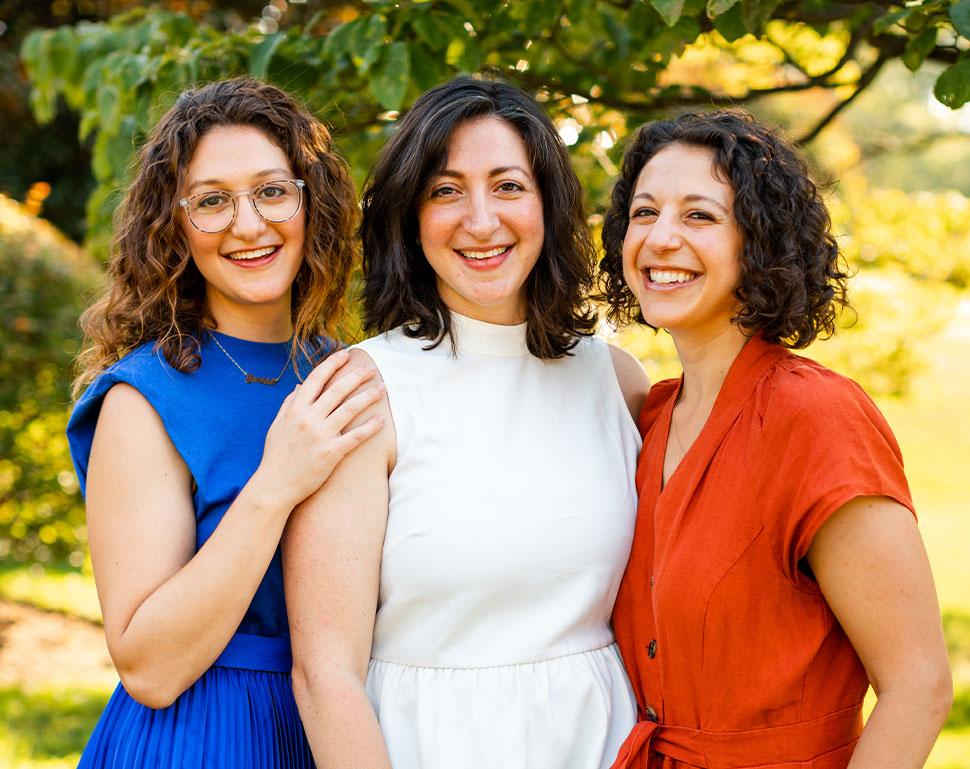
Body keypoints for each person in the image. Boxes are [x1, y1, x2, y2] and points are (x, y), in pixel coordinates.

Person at [284, 76, 651, 769]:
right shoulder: (361, 390)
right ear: (409, 216)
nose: (481, 221)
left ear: (548, 205)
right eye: (446, 191)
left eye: (508, 186)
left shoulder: (615, 379)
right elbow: (325, 674)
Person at [598, 109, 953, 769]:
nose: (660, 237)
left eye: (699, 216)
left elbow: (919, 684)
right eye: (644, 213)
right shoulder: (650, 416)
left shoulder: (815, 418)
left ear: (759, 241)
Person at [66, 78, 384, 768]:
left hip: (345, 728)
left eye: (272, 191)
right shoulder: (144, 398)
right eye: (212, 201)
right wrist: (276, 483)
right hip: (203, 735)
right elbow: (148, 667)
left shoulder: (352, 376)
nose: (249, 224)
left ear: (311, 202)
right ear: (174, 226)